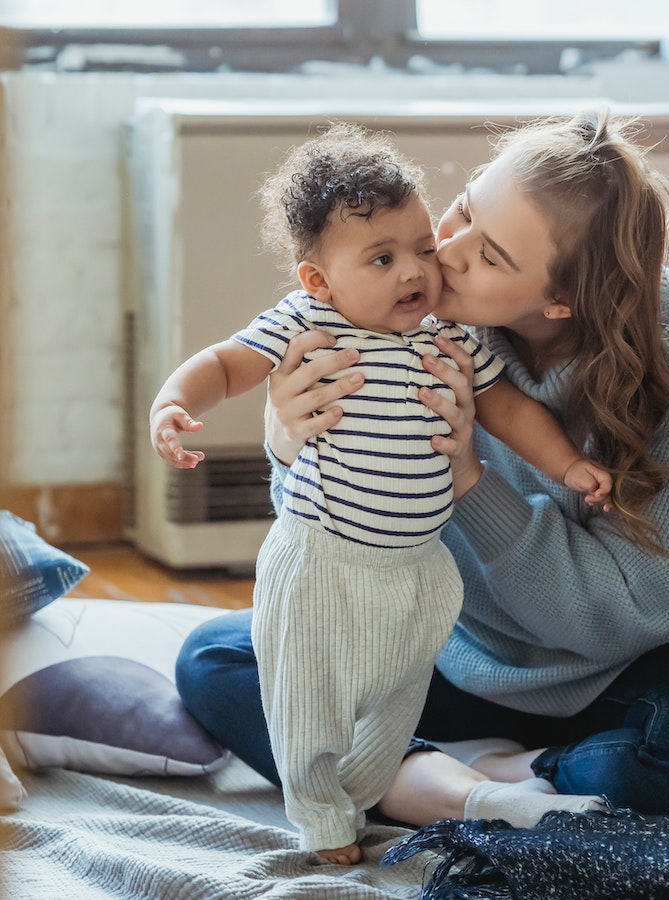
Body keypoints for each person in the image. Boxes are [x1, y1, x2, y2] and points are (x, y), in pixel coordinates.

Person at [175, 111, 669, 850]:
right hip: (459, 648)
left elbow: (616, 617)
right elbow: (338, 537)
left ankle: (452, 780)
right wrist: (288, 447)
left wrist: (469, 481)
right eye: (462, 210)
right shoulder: (390, 312)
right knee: (217, 658)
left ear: (559, 301)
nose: (438, 255)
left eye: (486, 255)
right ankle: (477, 792)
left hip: (665, 655)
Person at [150, 123, 611, 865]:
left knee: (394, 697)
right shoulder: (308, 322)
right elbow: (226, 364)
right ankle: (322, 815)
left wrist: (567, 466)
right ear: (318, 281)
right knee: (307, 697)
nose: (415, 272)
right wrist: (172, 402)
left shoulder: (447, 338)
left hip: (419, 569)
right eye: (383, 258)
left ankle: (376, 782)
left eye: (423, 248)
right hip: (323, 560)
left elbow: (510, 411)